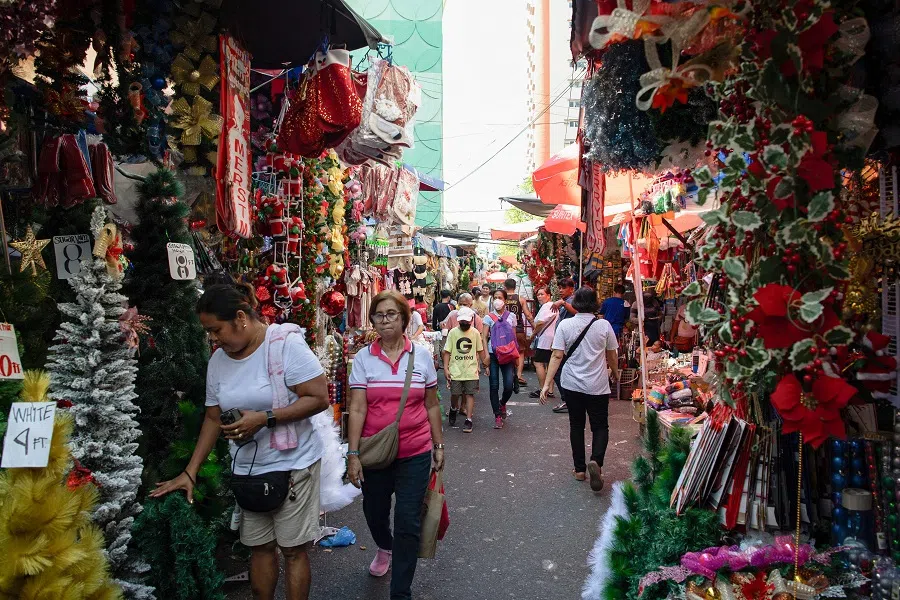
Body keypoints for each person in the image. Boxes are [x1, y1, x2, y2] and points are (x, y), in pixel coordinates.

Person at [151, 284, 330, 600]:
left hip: (293, 468)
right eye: (208, 332)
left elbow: (318, 398)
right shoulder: (219, 361)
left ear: (240, 318)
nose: (212, 338)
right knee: (259, 548)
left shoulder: (285, 346)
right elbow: (212, 417)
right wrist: (190, 471)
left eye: (215, 330)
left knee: (292, 550)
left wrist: (265, 418)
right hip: (248, 471)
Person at [346, 290, 445, 600]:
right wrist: (352, 454)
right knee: (374, 511)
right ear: (372, 320)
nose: (385, 320)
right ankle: (383, 545)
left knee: (408, 520)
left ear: (404, 318)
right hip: (375, 452)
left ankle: (400, 591)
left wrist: (438, 445)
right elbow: (358, 408)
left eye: (391, 314)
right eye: (379, 314)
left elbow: (431, 405)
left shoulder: (423, 356)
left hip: (414, 451)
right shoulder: (363, 358)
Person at [540, 287, 619, 493]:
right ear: (596, 303)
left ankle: (580, 470)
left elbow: (557, 355)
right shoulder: (604, 325)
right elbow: (612, 355)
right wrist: (616, 373)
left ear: (575, 303)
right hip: (598, 385)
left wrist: (547, 384)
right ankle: (597, 462)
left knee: (576, 425)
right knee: (600, 426)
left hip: (572, 384)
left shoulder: (565, 324)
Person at [443, 307, 487, 433]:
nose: (464, 324)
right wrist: (446, 368)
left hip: (471, 369)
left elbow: (480, 351)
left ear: (471, 320)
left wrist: (485, 365)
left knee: (470, 394)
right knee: (455, 394)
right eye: (462, 322)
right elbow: (447, 352)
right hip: (455, 369)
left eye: (466, 322)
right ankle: (453, 408)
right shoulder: (453, 333)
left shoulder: (474, 333)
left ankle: (468, 419)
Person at [483, 289, 517, 429]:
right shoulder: (488, 317)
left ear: (505, 300)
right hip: (493, 354)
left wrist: (517, 359)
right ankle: (497, 415)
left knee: (509, 385)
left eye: (500, 297)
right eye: (495, 297)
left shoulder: (511, 316)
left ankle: (502, 403)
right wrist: (485, 355)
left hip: (508, 354)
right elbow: (484, 337)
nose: (497, 300)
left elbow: (514, 338)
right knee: (494, 385)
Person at [550, 277, 577, 413]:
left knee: (557, 371)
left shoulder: (571, 301)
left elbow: (576, 312)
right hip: (563, 342)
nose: (560, 290)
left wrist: (562, 303)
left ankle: (568, 400)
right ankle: (568, 399)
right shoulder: (566, 301)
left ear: (571, 289)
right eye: (559, 288)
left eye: (563, 288)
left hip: (567, 343)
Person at [503, 278, 534, 387]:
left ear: (505, 287)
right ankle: (519, 375)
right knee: (520, 352)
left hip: (504, 330)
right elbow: (528, 315)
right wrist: (534, 327)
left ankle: (508, 375)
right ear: (515, 287)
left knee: (507, 352)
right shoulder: (521, 299)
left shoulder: (502, 299)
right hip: (519, 329)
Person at [530, 286, 558, 401]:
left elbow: (541, 323)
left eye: (542, 294)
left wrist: (533, 334)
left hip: (545, 340)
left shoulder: (547, 306)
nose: (539, 296)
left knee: (538, 363)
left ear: (549, 295)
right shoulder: (551, 306)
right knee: (548, 364)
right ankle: (550, 390)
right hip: (551, 339)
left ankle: (543, 389)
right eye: (538, 294)